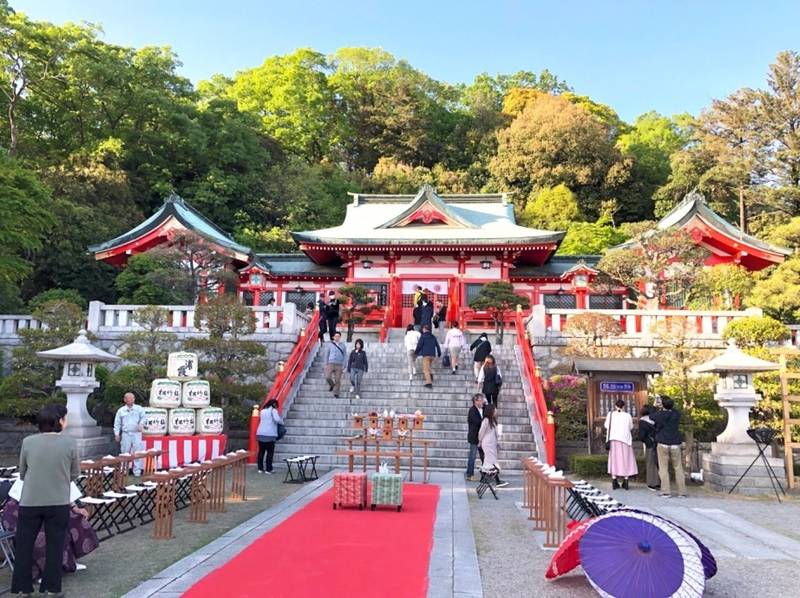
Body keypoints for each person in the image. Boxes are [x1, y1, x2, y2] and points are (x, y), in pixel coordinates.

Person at [11, 403, 80, 596]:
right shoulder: (70, 443)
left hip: (30, 500)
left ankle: (22, 588)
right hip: (58, 500)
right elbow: (74, 473)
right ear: (60, 421)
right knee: (55, 546)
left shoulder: (28, 442)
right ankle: (51, 588)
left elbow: (23, 472)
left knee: (24, 545)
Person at [2, 483, 98, 581]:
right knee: (41, 534)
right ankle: (42, 572)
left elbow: (64, 488)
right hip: (21, 510)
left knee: (74, 518)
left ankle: (69, 562)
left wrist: (75, 508)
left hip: (48, 504)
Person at [653, 396, 686, 498]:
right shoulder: (676, 414)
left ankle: (666, 491)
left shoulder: (659, 415)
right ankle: (682, 492)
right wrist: (666, 405)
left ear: (662, 405)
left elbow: (651, 416)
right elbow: (674, 410)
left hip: (663, 442)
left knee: (663, 468)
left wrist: (657, 406)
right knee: (678, 467)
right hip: (675, 443)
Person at [604, 399, 638, 490]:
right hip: (625, 440)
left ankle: (614, 480)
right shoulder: (627, 415)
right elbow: (630, 427)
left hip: (614, 439)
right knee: (626, 459)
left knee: (614, 459)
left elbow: (606, 426)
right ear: (624, 406)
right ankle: (626, 480)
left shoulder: (610, 414)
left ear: (615, 406)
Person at [113, 392, 145, 476]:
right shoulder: (121, 410)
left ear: (134, 399)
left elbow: (144, 418)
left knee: (137, 452)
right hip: (126, 433)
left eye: (132, 398)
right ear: (125, 400)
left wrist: (141, 424)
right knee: (124, 452)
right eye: (128, 398)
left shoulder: (139, 409)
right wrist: (117, 434)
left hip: (136, 433)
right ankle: (123, 470)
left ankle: (137, 471)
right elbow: (117, 423)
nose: (130, 400)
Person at [478, 404, 508, 487]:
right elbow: (481, 432)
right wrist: (479, 441)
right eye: (494, 409)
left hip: (492, 443)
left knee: (490, 461)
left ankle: (485, 479)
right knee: (491, 462)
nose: (496, 411)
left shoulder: (492, 420)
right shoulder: (486, 420)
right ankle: (495, 480)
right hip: (487, 443)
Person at [256, 399, 283, 474]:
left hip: (260, 433)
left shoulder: (262, 411)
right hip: (270, 434)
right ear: (274, 404)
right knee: (270, 452)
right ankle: (269, 469)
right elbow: (277, 420)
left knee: (261, 451)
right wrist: (281, 421)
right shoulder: (273, 411)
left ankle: (260, 468)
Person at [638, 405, 660, 491]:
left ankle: (651, 483)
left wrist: (645, 441)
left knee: (650, 463)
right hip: (658, 443)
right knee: (658, 463)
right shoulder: (656, 420)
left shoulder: (642, 421)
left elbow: (642, 435)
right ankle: (658, 482)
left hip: (649, 444)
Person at [466, 394, 486, 481]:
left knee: (483, 456)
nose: (482, 402)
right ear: (476, 401)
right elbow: (477, 422)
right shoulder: (472, 410)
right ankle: (469, 474)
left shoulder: (482, 409)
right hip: (474, 437)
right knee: (472, 456)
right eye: (481, 400)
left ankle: (486, 473)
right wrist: (485, 422)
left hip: (482, 436)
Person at [324, 331, 347, 398]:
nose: (337, 337)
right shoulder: (330, 344)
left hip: (339, 364)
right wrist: (325, 363)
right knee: (327, 377)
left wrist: (344, 365)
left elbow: (345, 355)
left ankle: (336, 393)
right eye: (336, 336)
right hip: (330, 363)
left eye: (338, 336)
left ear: (340, 337)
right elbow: (327, 354)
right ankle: (332, 385)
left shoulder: (343, 345)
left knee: (337, 379)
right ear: (333, 337)